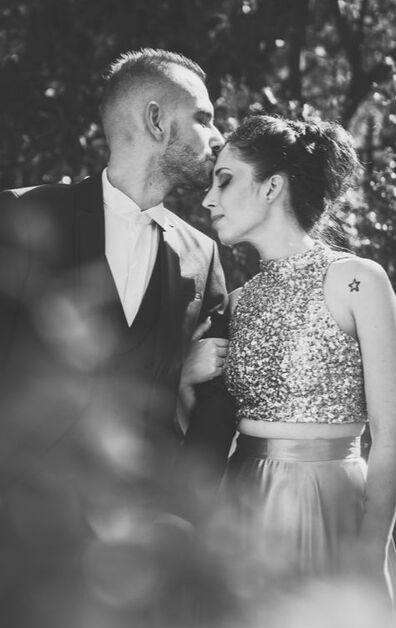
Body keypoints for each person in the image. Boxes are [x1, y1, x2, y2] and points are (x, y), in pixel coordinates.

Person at [0, 48, 236, 625]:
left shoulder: (202, 256)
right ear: (156, 120)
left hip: (136, 553)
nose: (217, 136)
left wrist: (184, 511)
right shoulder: (24, 216)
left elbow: (216, 400)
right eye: (203, 118)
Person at [200, 114, 396, 610]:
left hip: (331, 504)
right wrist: (187, 375)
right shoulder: (238, 302)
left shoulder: (357, 281)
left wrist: (369, 553)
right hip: (242, 509)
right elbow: (207, 429)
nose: (209, 198)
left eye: (224, 180)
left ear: (272, 186)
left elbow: (393, 430)